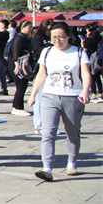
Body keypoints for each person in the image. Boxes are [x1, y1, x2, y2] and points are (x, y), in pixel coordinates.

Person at [28, 21, 92, 181]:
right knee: (48, 134)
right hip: (50, 96)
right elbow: (41, 74)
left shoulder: (78, 53)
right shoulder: (47, 52)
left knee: (72, 134)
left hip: (73, 96)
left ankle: (72, 163)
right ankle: (47, 168)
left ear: (69, 36)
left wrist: (85, 91)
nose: (57, 40)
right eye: (53, 37)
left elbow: (85, 74)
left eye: (61, 37)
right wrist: (33, 94)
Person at [9, 20, 36, 116]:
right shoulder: (19, 38)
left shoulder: (25, 37)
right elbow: (16, 52)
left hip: (22, 63)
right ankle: (17, 107)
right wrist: (17, 66)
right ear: (23, 28)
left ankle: (17, 106)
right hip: (18, 63)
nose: (31, 29)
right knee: (20, 86)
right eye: (29, 27)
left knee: (23, 86)